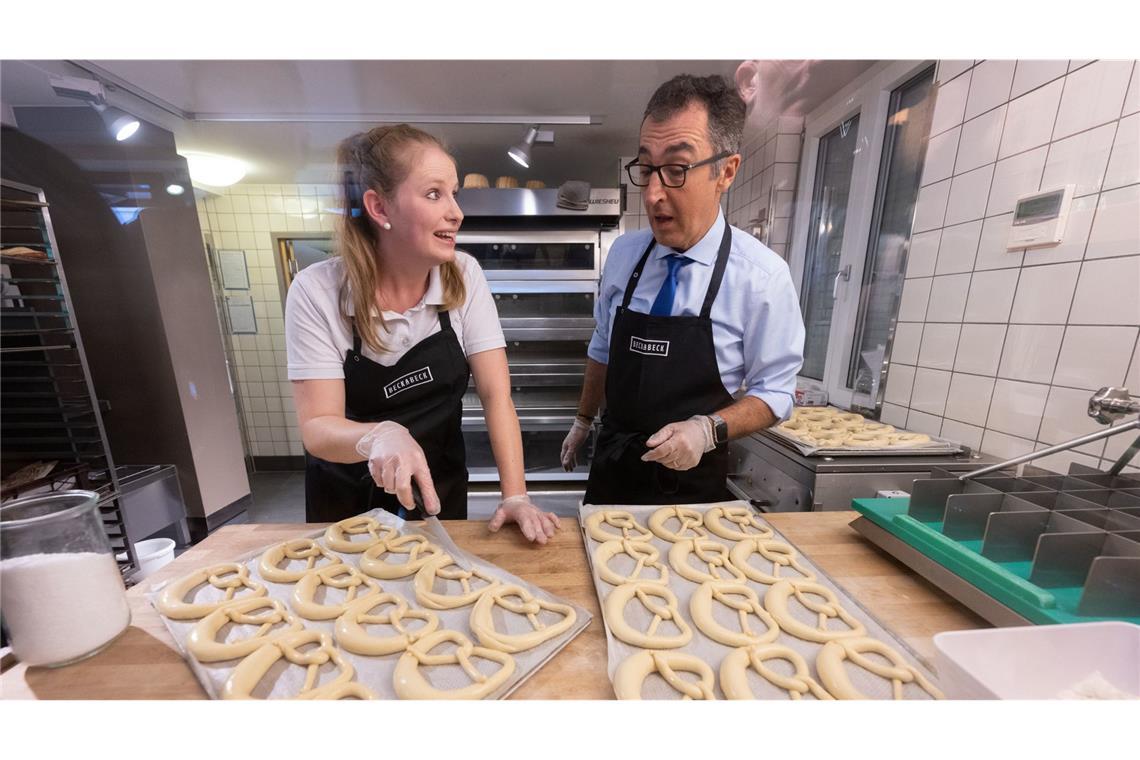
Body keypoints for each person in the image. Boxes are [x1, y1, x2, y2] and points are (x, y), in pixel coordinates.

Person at [285, 124, 561, 543]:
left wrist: (516, 495)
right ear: (379, 208)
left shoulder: (465, 276)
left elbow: (496, 395)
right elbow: (318, 427)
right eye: (435, 194)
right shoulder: (315, 291)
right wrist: (379, 434)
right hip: (345, 504)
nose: (456, 212)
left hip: (438, 494)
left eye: (454, 193)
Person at [561, 75, 805, 505]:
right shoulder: (624, 255)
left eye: (676, 170)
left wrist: (707, 429)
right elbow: (603, 347)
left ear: (725, 172)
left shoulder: (762, 278)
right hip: (612, 474)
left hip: (693, 492)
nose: (654, 193)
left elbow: (775, 392)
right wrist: (583, 420)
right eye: (647, 168)